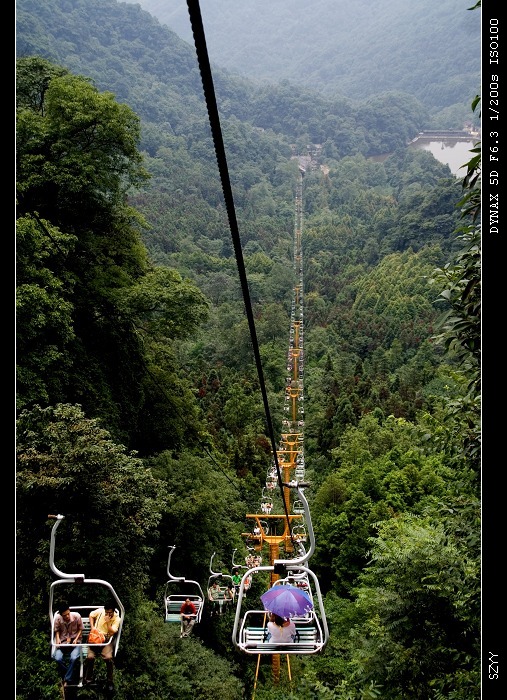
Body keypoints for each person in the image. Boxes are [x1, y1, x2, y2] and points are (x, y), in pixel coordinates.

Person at [83, 602, 121, 691]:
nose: (108, 614)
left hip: (106, 640)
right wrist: (92, 627)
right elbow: (91, 615)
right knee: (90, 657)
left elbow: (112, 632)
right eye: (106, 612)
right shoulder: (100, 612)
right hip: (96, 638)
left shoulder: (116, 619)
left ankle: (110, 681)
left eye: (110, 613)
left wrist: (108, 622)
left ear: (113, 611)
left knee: (108, 658)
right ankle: (87, 679)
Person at [52, 603, 83, 687]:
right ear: (61, 615)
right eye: (64, 615)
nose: (67, 616)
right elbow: (57, 630)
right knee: (57, 658)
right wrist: (57, 638)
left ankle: (66, 679)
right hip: (63, 642)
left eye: (68, 614)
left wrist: (76, 639)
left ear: (69, 611)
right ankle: (70, 674)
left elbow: (80, 629)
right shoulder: (58, 618)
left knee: (73, 657)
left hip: (75, 641)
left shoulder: (76, 616)